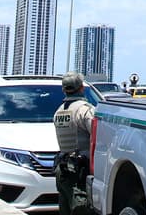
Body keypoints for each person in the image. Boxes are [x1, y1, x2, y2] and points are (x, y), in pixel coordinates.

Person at [52, 72, 96, 215]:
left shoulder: (59, 111)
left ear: (64, 89)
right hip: (79, 171)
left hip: (63, 169)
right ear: (82, 88)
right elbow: (98, 136)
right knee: (81, 209)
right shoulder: (84, 110)